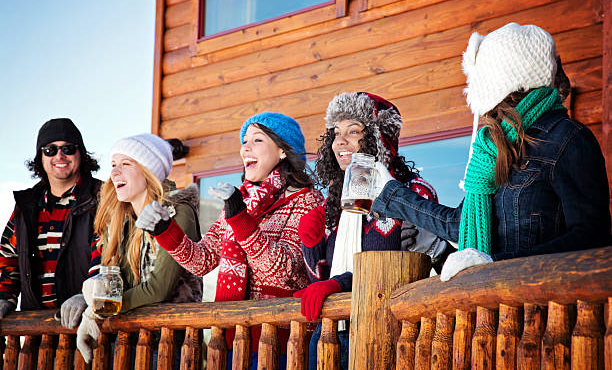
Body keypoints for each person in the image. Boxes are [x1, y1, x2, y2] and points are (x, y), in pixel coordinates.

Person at [369, 23, 611, 281]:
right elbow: (459, 223)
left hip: (544, 310)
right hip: (494, 313)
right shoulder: (491, 149)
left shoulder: (567, 138)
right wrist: (392, 194)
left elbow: (591, 237)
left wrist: (494, 264)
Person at [135, 112, 324, 368]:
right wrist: (165, 230)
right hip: (229, 337)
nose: (245, 147)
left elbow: (285, 271)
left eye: (257, 140)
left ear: (282, 150)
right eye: (244, 141)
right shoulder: (240, 201)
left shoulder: (306, 201)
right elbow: (202, 261)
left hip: (280, 342)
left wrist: (240, 219)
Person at [294, 92, 445, 370]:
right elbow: (319, 274)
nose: (340, 141)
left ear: (379, 138)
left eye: (353, 131)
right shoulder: (336, 201)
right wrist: (310, 242)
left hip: (386, 333)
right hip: (331, 330)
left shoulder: (411, 193)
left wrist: (339, 284)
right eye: (336, 133)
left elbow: (401, 272)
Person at [71, 133, 203, 363]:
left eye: (125, 164)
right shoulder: (122, 221)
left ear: (148, 171)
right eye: (113, 165)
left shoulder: (177, 212)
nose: (114, 173)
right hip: (125, 341)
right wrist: (91, 309)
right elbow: (112, 281)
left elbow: (159, 289)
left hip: (169, 345)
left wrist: (99, 308)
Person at [0, 118, 101, 318]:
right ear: (41, 157)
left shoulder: (102, 198)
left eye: (68, 148)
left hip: (88, 324)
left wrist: (88, 296)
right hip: (37, 329)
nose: (60, 156)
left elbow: (110, 254)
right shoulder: (26, 206)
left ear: (81, 153)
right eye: (50, 150)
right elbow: (8, 257)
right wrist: (4, 297)